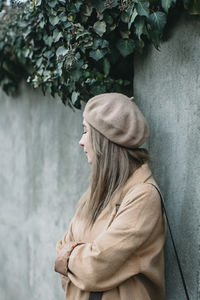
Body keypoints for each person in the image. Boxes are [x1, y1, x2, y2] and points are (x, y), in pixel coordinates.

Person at [54, 93, 166, 300]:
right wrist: (78, 258)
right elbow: (63, 245)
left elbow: (95, 267)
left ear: (105, 141)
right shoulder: (97, 192)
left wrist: (72, 259)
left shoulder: (143, 196)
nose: (80, 141)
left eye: (86, 131)